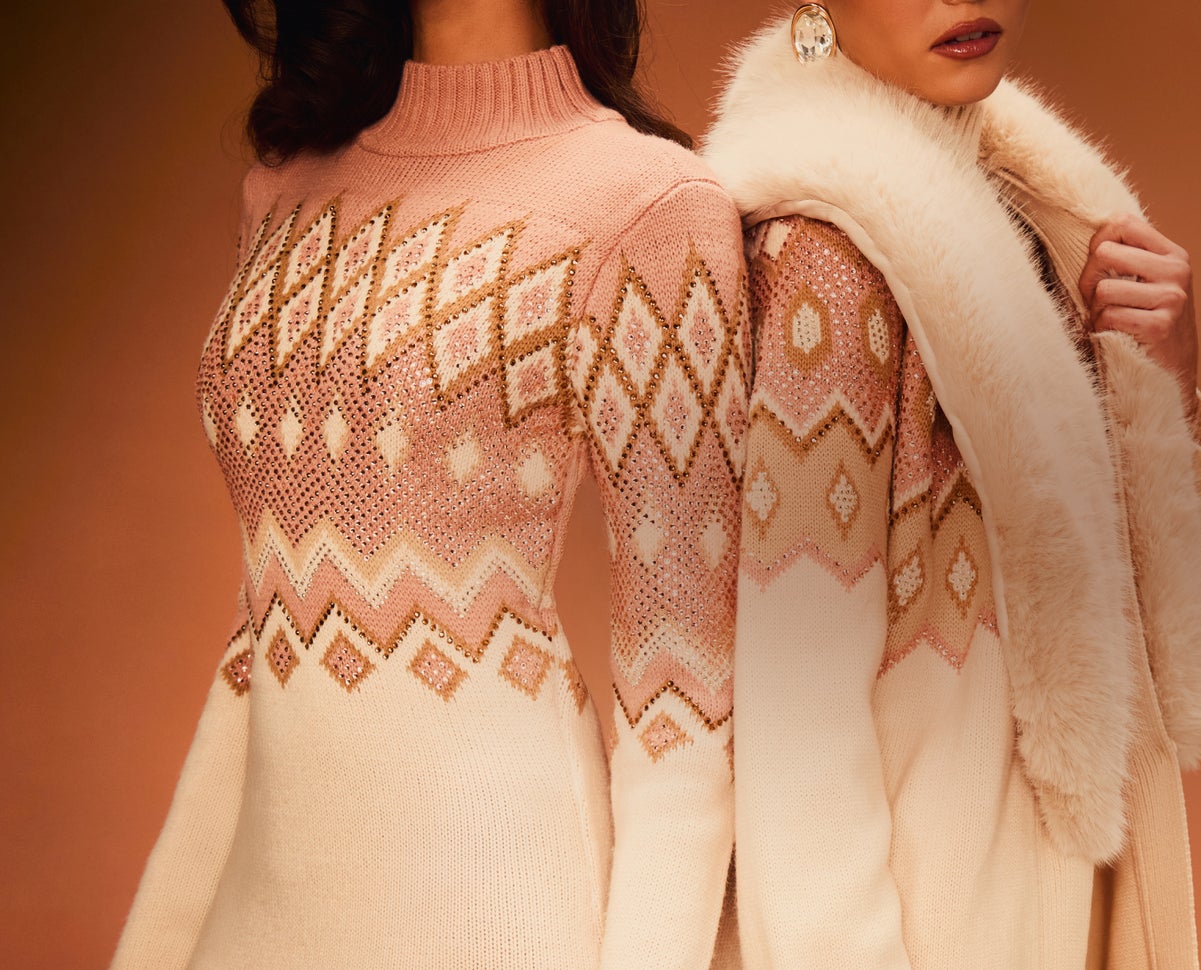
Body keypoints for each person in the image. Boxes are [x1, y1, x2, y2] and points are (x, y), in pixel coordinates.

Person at [113, 1, 744, 966]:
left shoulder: (650, 204)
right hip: (263, 903)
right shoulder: (282, 193)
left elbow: (683, 702)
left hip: (493, 906)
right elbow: (273, 616)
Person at [699, 4, 1201, 969]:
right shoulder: (825, 258)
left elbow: (1100, 618)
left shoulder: (1020, 217)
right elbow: (794, 738)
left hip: (1033, 900)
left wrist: (1165, 394)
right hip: (925, 921)